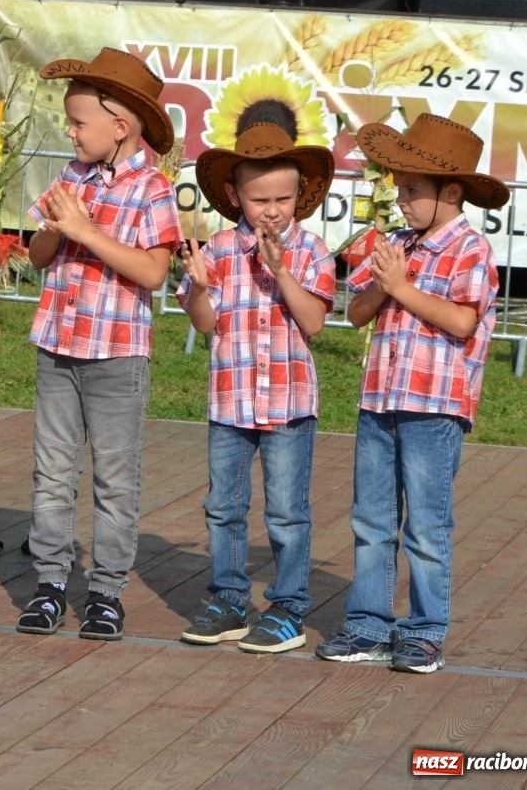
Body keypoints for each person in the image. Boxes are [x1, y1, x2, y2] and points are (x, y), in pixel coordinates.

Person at [315, 114, 506, 674]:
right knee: (370, 520)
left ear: (451, 192)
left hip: (435, 409)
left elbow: (463, 322)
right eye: (398, 187)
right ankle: (368, 626)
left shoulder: (471, 249)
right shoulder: (394, 243)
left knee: (425, 526)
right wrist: (383, 284)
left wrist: (402, 287)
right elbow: (355, 314)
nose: (401, 199)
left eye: (413, 190)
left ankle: (424, 631)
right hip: (380, 403)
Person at [15, 48, 181, 641]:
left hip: (116, 352)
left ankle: (107, 590)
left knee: (114, 476)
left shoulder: (153, 189)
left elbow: (154, 272)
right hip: (58, 344)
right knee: (53, 471)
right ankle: (49, 584)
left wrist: (87, 230)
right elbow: (36, 256)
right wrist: (55, 231)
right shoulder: (69, 177)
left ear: (120, 126)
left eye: (80, 121)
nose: (71, 130)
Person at [176, 121, 336, 653]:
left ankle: (288, 605)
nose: (272, 209)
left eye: (284, 198)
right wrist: (199, 286)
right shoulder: (219, 250)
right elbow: (203, 322)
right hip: (231, 401)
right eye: (259, 198)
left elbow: (312, 322)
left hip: (289, 403)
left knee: (287, 510)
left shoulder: (312, 249)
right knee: (224, 505)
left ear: (300, 196)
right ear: (233, 195)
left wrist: (281, 270)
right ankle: (228, 599)